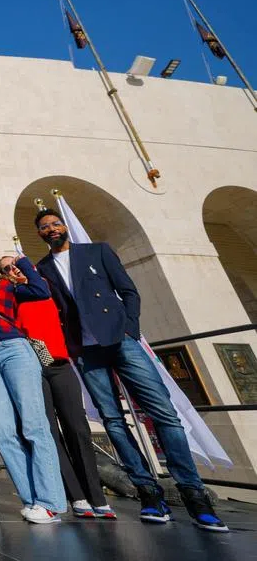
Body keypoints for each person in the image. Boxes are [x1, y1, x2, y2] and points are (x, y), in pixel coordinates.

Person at [33, 209, 228, 532]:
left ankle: (193, 493)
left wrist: (130, 329)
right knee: (112, 419)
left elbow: (128, 290)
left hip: (120, 340)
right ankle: (148, 492)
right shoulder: (43, 268)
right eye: (45, 227)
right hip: (87, 351)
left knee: (163, 412)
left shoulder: (97, 251)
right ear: (40, 234)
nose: (51, 229)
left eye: (55, 224)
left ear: (64, 226)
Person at [0, 254, 115, 520]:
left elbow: (43, 291)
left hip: (60, 365)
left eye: (16, 265)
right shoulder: (12, 296)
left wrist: (24, 264)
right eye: (6, 269)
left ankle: (96, 496)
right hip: (33, 368)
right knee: (49, 432)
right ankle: (77, 496)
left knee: (77, 429)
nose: (13, 270)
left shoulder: (44, 289)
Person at [0, 246, 66, 524]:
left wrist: (23, 262)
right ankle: (31, 500)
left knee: (33, 425)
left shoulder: (5, 284)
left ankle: (50, 502)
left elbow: (40, 291)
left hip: (14, 350)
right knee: (2, 431)